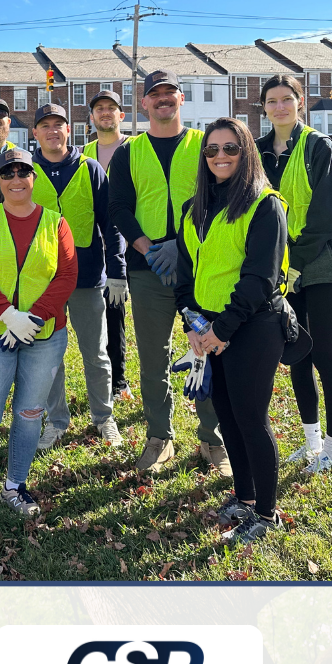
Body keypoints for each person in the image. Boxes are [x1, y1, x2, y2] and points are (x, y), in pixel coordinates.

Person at [176, 119, 308, 544]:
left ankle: (266, 516)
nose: (220, 156)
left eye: (230, 148)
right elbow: (186, 275)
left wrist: (222, 330)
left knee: (251, 420)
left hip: (253, 326)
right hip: (210, 331)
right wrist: (194, 325)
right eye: (212, 149)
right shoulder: (194, 207)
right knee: (228, 419)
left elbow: (259, 280)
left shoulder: (264, 205)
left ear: (246, 151)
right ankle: (245, 498)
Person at [0, 148, 78, 547]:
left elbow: (66, 275)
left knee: (28, 414)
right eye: (8, 173)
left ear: (33, 178)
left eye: (24, 171)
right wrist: (7, 315)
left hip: (44, 336)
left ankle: (13, 485)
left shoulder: (56, 223)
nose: (17, 178)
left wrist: (33, 318)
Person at [107, 70, 228, 475]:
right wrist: (149, 247)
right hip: (147, 269)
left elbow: (221, 195)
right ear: (144, 103)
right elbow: (120, 207)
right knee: (153, 357)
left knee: (209, 348)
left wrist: (184, 243)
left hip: (202, 268)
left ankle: (213, 438)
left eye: (169, 93)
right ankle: (160, 437)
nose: (162, 100)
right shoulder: (129, 152)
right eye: (154, 94)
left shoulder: (203, 145)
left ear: (181, 98)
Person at [256, 74, 332, 474]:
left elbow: (329, 215)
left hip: (322, 265)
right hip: (282, 268)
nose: (279, 107)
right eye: (272, 101)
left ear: (300, 102)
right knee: (297, 354)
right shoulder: (256, 151)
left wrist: (293, 261)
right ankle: (311, 442)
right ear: (263, 108)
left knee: (327, 354)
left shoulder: (318, 146)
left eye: (286, 99)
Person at [28, 102, 126, 449]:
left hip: (87, 278)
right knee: (48, 354)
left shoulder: (91, 168)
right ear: (35, 133)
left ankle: (104, 416)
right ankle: (56, 421)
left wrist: (118, 271)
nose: (53, 131)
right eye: (46, 125)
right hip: (41, 282)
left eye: (60, 124)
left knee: (96, 352)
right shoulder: (25, 171)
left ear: (70, 130)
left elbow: (110, 223)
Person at [83, 88, 132, 401]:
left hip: (133, 244)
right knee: (106, 315)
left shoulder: (136, 148)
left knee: (120, 314)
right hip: (94, 247)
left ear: (121, 115)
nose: (105, 113)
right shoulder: (84, 154)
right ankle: (110, 381)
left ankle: (121, 380)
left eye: (111, 108)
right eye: (99, 109)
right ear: (91, 117)